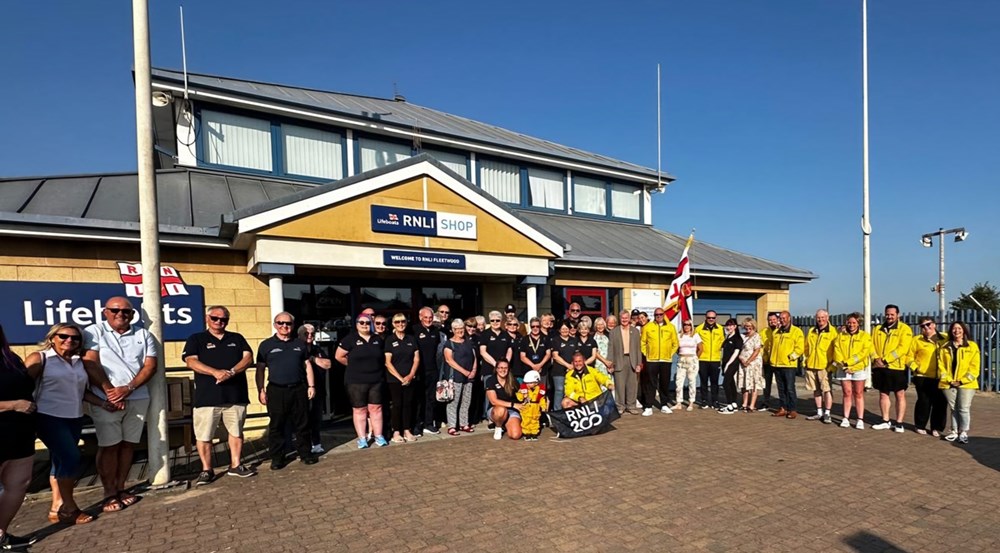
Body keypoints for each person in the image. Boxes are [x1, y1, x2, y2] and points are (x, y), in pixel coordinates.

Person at [82, 296, 159, 512]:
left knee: (128, 445)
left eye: (126, 311)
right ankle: (109, 493)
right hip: (106, 401)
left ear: (132, 315)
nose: (120, 314)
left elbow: (149, 366)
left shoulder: (143, 334)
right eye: (115, 310)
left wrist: (129, 388)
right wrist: (110, 391)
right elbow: (90, 362)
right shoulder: (94, 331)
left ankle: (121, 487)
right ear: (105, 312)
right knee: (109, 446)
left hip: (137, 397)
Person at [26, 324, 104, 525]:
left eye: (75, 338)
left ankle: (55, 507)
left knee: (59, 460)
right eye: (64, 336)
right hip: (48, 416)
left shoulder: (78, 362)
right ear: (53, 338)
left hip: (74, 417)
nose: (69, 340)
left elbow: (81, 392)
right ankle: (69, 508)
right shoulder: (40, 358)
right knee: (71, 457)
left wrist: (104, 403)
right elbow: (22, 386)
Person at [183, 306, 255, 485]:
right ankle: (207, 470)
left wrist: (230, 372)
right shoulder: (196, 339)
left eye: (223, 319)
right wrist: (215, 372)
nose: (219, 322)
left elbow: (248, 358)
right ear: (207, 318)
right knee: (204, 435)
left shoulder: (236, 338)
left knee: (236, 432)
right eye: (215, 318)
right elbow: (190, 361)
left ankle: (236, 465)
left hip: (235, 395)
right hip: (207, 397)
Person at [256, 312, 317, 469]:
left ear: (292, 326)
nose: (284, 326)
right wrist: (260, 390)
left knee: (303, 423)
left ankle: (305, 453)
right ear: (275, 324)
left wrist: (311, 386)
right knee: (277, 425)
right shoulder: (266, 345)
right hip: (276, 390)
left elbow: (307, 365)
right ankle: (277, 458)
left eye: (288, 324)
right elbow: (260, 370)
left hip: (298, 388)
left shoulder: (300, 344)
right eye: (281, 323)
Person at [0, 324, 39, 549]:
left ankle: (1, 534)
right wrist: (13, 405)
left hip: (19, 431)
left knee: (19, 483)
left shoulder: (10, 357)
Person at [335, 314, 388, 448]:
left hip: (376, 379)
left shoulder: (378, 339)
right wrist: (353, 365)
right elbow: (339, 356)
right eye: (361, 322)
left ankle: (379, 436)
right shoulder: (350, 339)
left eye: (367, 322)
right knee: (360, 409)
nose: (364, 325)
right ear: (357, 324)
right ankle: (362, 438)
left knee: (376, 408)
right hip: (356, 381)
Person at [871, 304, 913, 432]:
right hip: (879, 367)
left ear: (898, 315)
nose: (889, 316)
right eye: (887, 314)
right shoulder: (877, 329)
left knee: (899, 394)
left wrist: (886, 359)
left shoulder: (905, 329)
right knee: (883, 394)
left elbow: (902, 348)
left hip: (897, 367)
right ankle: (885, 420)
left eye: (892, 314)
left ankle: (899, 423)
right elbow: (870, 345)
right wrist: (875, 358)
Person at [937, 321, 980, 444]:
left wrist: (962, 380)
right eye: (954, 329)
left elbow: (974, 367)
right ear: (951, 331)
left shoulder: (972, 346)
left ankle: (964, 432)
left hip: (967, 384)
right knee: (953, 408)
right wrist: (949, 380)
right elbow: (941, 366)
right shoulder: (945, 346)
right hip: (948, 383)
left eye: (959, 328)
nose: (957, 331)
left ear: (964, 330)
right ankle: (954, 431)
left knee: (963, 408)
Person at [908, 317, 947, 436]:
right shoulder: (917, 340)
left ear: (934, 325)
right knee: (924, 401)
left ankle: (937, 427)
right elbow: (908, 357)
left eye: (928, 324)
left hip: (941, 376)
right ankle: (920, 425)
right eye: (922, 326)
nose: (926, 327)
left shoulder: (945, 338)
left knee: (940, 403)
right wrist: (916, 367)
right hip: (922, 376)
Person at [832, 313, 872, 429]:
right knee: (847, 393)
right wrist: (844, 365)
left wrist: (850, 363)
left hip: (858, 368)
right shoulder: (840, 336)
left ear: (858, 323)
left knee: (858, 393)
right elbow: (837, 351)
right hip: (843, 368)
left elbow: (863, 353)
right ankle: (845, 418)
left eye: (854, 322)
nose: (851, 325)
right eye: (849, 322)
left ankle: (860, 419)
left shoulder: (865, 336)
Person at [385, 313, 419, 443]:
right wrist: (400, 378)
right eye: (397, 322)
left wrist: (410, 375)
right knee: (397, 405)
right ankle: (396, 432)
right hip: (394, 380)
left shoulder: (411, 339)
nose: (400, 324)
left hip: (409, 378)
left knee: (408, 405)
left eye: (403, 321)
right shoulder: (389, 340)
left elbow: (416, 358)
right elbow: (388, 362)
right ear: (393, 324)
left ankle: (407, 430)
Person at [298, 324, 331, 454]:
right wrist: (317, 361)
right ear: (300, 335)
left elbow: (328, 364)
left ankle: (316, 443)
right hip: (301, 389)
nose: (310, 336)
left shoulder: (317, 349)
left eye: (312, 333)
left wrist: (311, 358)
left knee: (316, 419)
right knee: (303, 419)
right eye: (306, 333)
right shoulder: (296, 348)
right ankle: (303, 446)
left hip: (318, 388)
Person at [640, 308, 679, 415]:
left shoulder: (671, 327)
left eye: (661, 314)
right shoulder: (648, 327)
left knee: (664, 383)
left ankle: (664, 405)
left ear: (664, 314)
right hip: (651, 360)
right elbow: (643, 342)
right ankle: (648, 406)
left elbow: (675, 343)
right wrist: (646, 354)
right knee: (650, 383)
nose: (658, 316)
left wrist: (669, 354)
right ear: (654, 315)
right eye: (656, 314)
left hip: (665, 360)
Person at [803, 309, 838, 424]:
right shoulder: (812, 331)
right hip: (811, 365)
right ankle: (819, 412)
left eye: (823, 317)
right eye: (818, 317)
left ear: (827, 318)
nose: (820, 320)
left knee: (826, 389)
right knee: (816, 389)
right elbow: (806, 348)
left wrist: (832, 365)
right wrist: (805, 361)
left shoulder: (833, 332)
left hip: (824, 366)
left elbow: (836, 350)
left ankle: (827, 413)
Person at [443, 318, 477, 435]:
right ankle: (452, 426)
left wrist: (473, 370)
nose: (460, 331)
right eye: (457, 329)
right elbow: (449, 360)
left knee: (466, 401)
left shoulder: (468, 341)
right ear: (453, 330)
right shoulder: (449, 343)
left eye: (461, 328)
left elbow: (474, 357)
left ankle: (464, 424)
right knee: (453, 402)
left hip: (469, 377)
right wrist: (465, 371)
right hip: (456, 376)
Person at [413, 307, 443, 435]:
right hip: (419, 371)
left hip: (432, 370)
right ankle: (417, 426)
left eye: (430, 318)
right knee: (419, 400)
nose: (428, 320)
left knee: (431, 399)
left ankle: (428, 424)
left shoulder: (435, 331)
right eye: (425, 317)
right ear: (420, 317)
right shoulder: (413, 330)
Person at [768, 311, 804, 419]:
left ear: (789, 318)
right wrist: (771, 358)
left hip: (789, 365)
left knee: (790, 388)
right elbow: (772, 347)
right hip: (776, 364)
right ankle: (783, 408)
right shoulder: (776, 332)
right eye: (781, 318)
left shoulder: (796, 332)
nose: (782, 320)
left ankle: (792, 409)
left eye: (784, 318)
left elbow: (800, 348)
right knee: (781, 388)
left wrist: (791, 357)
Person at [479, 310, 512, 421]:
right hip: (489, 369)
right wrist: (495, 364)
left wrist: (505, 364)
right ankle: (490, 418)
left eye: (497, 320)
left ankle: (502, 415)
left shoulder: (505, 334)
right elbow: (483, 352)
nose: (495, 322)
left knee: (502, 392)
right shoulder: (485, 334)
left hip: (503, 370)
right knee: (490, 394)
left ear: (501, 320)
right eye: (492, 320)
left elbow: (509, 350)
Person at [607, 309, 641, 415]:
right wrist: (610, 363)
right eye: (622, 318)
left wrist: (639, 364)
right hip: (619, 360)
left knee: (632, 385)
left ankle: (631, 405)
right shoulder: (614, 332)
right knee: (620, 385)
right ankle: (620, 406)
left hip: (632, 360)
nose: (624, 320)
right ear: (620, 319)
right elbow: (611, 348)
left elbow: (638, 349)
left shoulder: (635, 331)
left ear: (629, 318)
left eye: (626, 318)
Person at [486, 359, 523, 441]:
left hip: (512, 411)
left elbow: (520, 396)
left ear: (509, 369)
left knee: (515, 435)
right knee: (501, 410)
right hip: (496, 410)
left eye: (505, 368)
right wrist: (513, 405)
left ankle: (505, 424)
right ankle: (498, 427)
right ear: (496, 369)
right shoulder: (491, 380)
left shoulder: (514, 381)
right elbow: (493, 401)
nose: (503, 370)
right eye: (500, 367)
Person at [694, 311, 725, 409]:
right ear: (705, 317)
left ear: (716, 318)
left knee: (714, 382)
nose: (711, 319)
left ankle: (715, 401)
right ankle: (704, 400)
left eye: (713, 318)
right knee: (703, 381)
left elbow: (723, 342)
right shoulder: (698, 329)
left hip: (715, 359)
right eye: (709, 317)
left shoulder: (720, 329)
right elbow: (695, 343)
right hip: (703, 359)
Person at [671, 320, 702, 411]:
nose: (686, 326)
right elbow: (676, 347)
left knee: (692, 382)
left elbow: (701, 348)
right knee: (679, 382)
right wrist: (680, 354)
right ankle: (678, 402)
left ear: (691, 326)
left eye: (688, 325)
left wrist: (695, 358)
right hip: (681, 360)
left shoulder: (695, 336)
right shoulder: (679, 336)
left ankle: (691, 402)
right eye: (685, 324)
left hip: (692, 360)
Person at [549, 320, 579, 411]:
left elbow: (577, 355)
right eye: (562, 329)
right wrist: (567, 365)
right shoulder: (555, 340)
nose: (565, 331)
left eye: (566, 329)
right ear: (559, 330)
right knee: (559, 390)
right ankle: (557, 412)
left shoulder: (574, 340)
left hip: (572, 370)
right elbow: (555, 356)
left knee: (571, 392)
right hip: (559, 370)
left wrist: (572, 365)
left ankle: (569, 412)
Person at [736, 318, 765, 412]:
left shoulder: (757, 336)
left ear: (753, 326)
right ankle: (744, 403)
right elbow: (737, 349)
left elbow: (757, 350)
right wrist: (741, 359)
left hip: (753, 363)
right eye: (746, 325)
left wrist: (748, 361)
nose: (748, 327)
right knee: (744, 384)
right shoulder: (742, 336)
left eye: (750, 325)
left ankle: (752, 405)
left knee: (754, 384)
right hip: (742, 362)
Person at [718, 318, 744, 414]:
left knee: (725, 383)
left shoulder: (738, 338)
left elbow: (736, 352)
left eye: (731, 325)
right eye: (728, 325)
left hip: (732, 363)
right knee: (731, 383)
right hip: (725, 363)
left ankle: (729, 406)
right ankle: (734, 404)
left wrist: (728, 364)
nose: (729, 327)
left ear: (735, 327)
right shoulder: (727, 337)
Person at [519, 317, 551, 392]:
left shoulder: (545, 338)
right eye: (533, 326)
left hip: (542, 370)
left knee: (541, 392)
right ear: (530, 327)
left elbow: (548, 354)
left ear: (540, 326)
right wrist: (533, 366)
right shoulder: (525, 339)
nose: (535, 328)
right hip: (528, 370)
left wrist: (539, 365)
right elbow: (522, 357)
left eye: (537, 326)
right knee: (528, 392)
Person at [515, 370, 546, 441]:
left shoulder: (540, 390)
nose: (528, 384)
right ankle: (527, 433)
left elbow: (542, 399)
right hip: (527, 407)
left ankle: (534, 432)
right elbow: (519, 397)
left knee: (535, 420)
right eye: (527, 383)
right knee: (526, 421)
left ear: (536, 382)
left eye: (530, 383)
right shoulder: (523, 389)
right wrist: (522, 395)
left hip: (536, 408)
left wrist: (543, 406)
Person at [759, 313, 780, 410]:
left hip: (779, 362)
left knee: (781, 384)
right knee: (766, 383)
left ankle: (783, 403)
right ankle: (766, 401)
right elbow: (761, 346)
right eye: (770, 320)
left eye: (774, 319)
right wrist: (763, 357)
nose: (772, 322)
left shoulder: (781, 331)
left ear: (778, 320)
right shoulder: (764, 332)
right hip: (767, 362)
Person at [592, 317, 613, 384]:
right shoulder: (593, 337)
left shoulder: (607, 336)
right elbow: (595, 352)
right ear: (595, 326)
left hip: (609, 364)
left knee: (609, 384)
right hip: (599, 364)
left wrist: (610, 364)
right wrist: (605, 361)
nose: (600, 326)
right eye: (598, 325)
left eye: (601, 324)